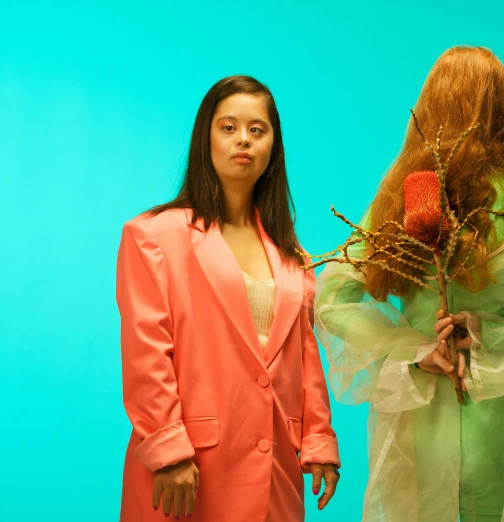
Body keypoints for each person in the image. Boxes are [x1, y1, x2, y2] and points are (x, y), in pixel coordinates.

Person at [313, 47, 504, 522]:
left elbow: (332, 300)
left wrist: (413, 348)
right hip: (499, 425)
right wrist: (493, 335)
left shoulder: (398, 204)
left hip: (416, 420)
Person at [116, 75, 340, 521]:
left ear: (273, 147)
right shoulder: (154, 237)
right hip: (189, 469)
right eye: (229, 127)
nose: (244, 140)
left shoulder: (292, 257)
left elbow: (305, 357)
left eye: (258, 130)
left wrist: (318, 439)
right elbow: (147, 355)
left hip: (274, 466)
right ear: (207, 137)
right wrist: (169, 451)